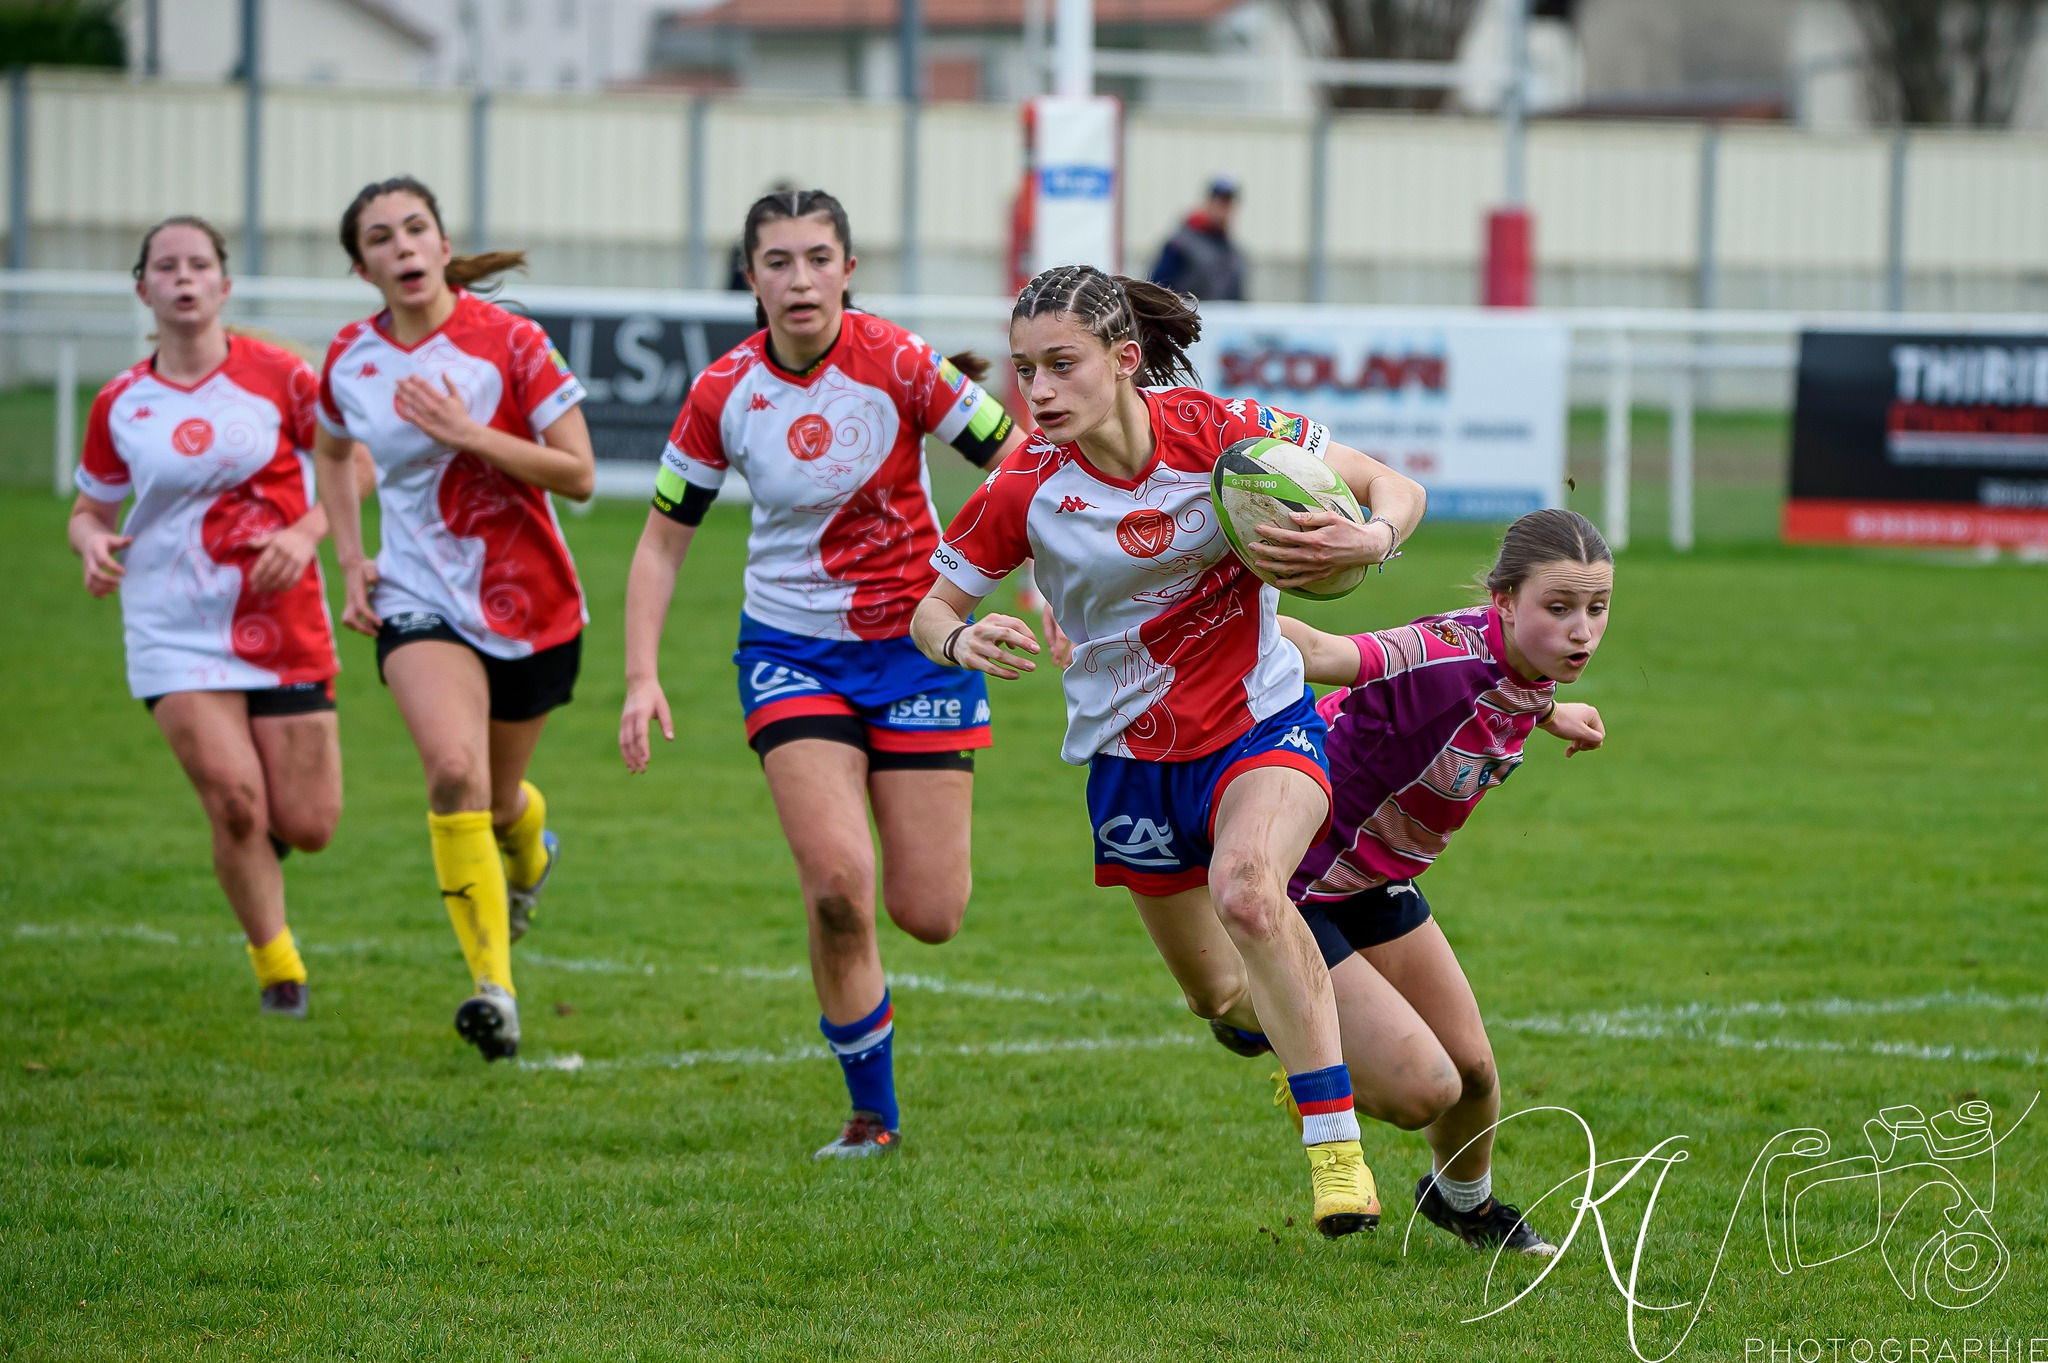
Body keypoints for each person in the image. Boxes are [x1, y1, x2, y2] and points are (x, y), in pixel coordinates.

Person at [912, 264, 1426, 1236]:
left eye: (1061, 365)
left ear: (1123, 359)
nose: (1040, 392)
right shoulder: (1023, 484)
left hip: (1260, 723)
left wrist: (1370, 542)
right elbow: (932, 607)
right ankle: (1273, 1022)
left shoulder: (1221, 431)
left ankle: (1336, 1158)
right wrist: (957, 639)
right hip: (1130, 765)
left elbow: (1392, 486)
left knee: (1244, 885)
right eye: (1025, 371)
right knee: (1216, 992)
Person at [620, 189, 1028, 1159]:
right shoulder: (723, 390)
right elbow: (658, 547)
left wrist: (1031, 579)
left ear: (847, 269)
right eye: (776, 261)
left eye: (816, 258)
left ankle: (870, 1091)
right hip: (789, 654)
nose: (797, 279)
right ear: (749, 276)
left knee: (928, 913)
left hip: (918, 644)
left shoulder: (898, 361)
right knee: (838, 885)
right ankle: (869, 1116)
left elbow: (1017, 459)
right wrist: (641, 674)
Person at [1212, 508, 1614, 1257]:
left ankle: (1463, 1201)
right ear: (1504, 602)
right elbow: (1325, 649)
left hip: (1372, 879)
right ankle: (1260, 1009)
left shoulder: (1526, 669)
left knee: (1475, 1074)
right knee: (1424, 1087)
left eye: (1596, 609)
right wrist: (1213, 616)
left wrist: (1555, 712)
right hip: (1300, 880)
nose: (1582, 631)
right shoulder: (1442, 651)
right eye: (1558, 609)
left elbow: (1508, 685)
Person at [312, 176, 596, 1063]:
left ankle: (528, 847)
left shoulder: (509, 341)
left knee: (499, 796)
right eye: (380, 238)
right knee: (451, 773)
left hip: (532, 603)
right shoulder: (350, 360)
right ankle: (494, 992)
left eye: (414, 229)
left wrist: (467, 433)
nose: (401, 247)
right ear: (363, 266)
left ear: (441, 245)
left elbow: (579, 473)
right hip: (416, 598)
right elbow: (329, 449)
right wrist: (353, 560)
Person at [67, 215, 371, 1018]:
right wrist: (92, 542)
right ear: (144, 290)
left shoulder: (282, 375)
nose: (183, 278)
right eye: (165, 267)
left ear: (224, 286)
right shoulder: (119, 403)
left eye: (199, 264)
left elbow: (357, 462)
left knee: (307, 824)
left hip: (280, 617)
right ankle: (279, 971)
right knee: (235, 799)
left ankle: (254, 855)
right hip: (171, 623)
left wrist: (309, 534)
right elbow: (88, 508)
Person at [1149, 176, 1247, 302]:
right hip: (1184, 319)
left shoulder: (1235, 255)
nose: (1223, 209)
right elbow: (1155, 290)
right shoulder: (1181, 245)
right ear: (1208, 202)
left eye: (1228, 203)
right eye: (1220, 202)